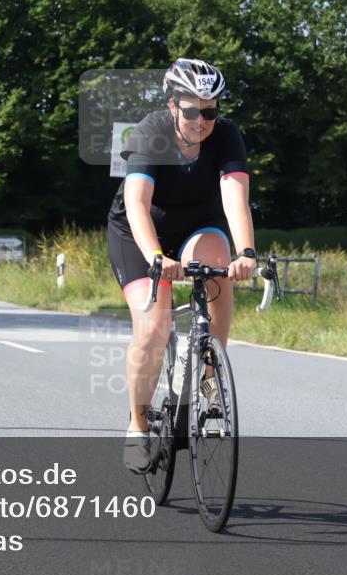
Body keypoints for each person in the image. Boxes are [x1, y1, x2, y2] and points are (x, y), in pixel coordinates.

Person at [106, 58, 257, 473]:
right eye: (192, 111)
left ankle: (209, 376)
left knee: (219, 262)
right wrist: (157, 257)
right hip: (140, 235)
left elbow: (234, 198)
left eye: (210, 111)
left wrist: (246, 253)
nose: (202, 120)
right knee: (154, 327)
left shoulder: (225, 136)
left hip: (196, 228)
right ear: (173, 105)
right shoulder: (151, 131)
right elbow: (137, 202)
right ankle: (138, 425)